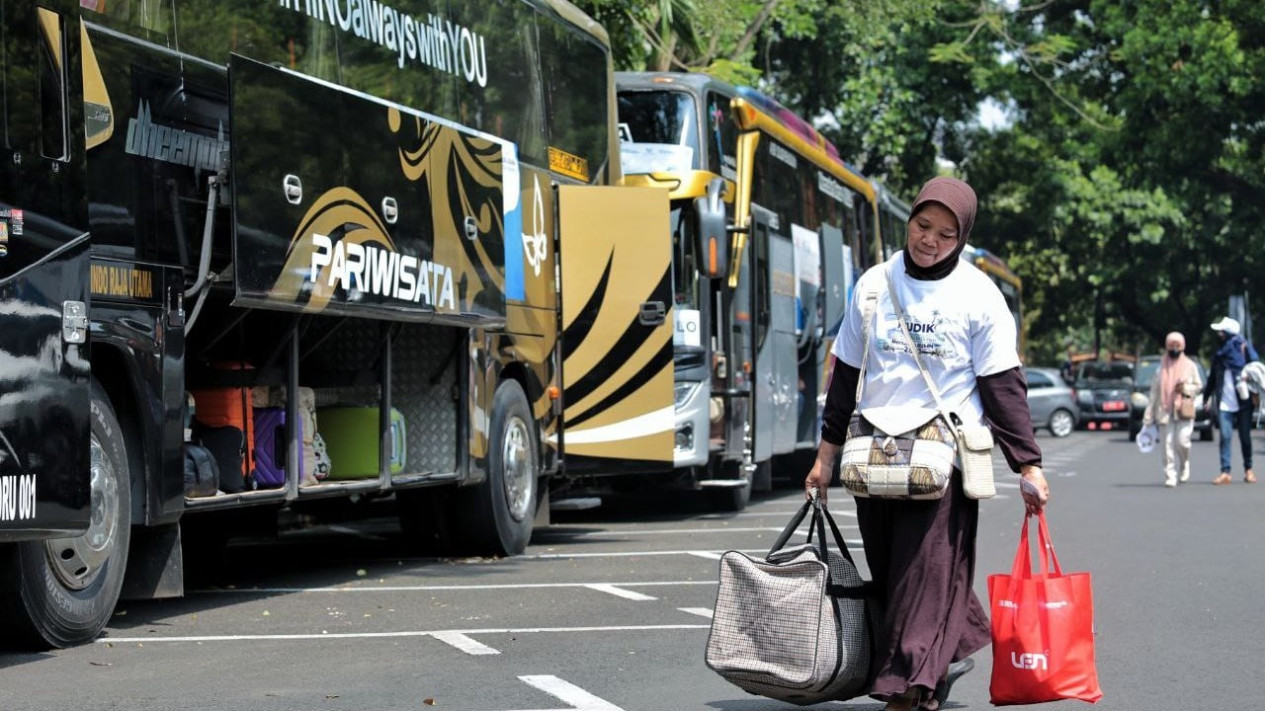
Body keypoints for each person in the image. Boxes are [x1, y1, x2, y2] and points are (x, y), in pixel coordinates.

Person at [805, 176, 1050, 711]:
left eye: (945, 233)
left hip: (943, 458)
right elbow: (845, 374)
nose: (930, 240)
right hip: (874, 454)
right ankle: (952, 648)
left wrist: (1027, 465)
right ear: (909, 220)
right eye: (922, 226)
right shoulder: (873, 284)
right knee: (895, 568)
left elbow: (1002, 386)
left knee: (927, 570)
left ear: (961, 239)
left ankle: (906, 687)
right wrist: (825, 456)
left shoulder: (978, 295)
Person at [1141, 332, 1203, 487]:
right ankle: (1170, 474)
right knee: (1167, 444)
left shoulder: (1190, 366)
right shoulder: (1160, 367)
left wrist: (1186, 388)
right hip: (1164, 409)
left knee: (1182, 442)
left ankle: (1185, 463)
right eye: (1171, 346)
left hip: (1183, 409)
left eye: (1177, 346)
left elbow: (1198, 386)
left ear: (1182, 347)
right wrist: (1148, 415)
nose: (1174, 349)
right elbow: (1154, 392)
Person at [1205, 316, 1258, 484]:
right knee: (1225, 436)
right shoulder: (1219, 356)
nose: (1219, 335)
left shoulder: (1243, 347)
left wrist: (1246, 377)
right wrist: (1206, 397)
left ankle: (1248, 469)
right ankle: (1225, 471)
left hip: (1243, 401)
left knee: (1245, 437)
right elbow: (1212, 378)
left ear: (1228, 333)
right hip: (1224, 403)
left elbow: (1256, 368)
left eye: (1221, 332)